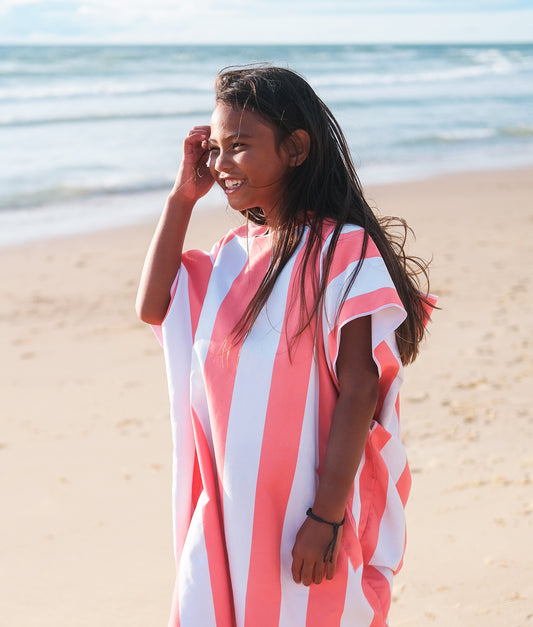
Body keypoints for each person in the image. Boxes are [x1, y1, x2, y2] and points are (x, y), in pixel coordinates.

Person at [136, 65, 436, 626]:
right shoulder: (228, 257)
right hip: (226, 511)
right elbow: (154, 305)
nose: (222, 164)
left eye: (240, 147)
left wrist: (325, 518)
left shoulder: (343, 249)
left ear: (296, 149)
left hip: (304, 514)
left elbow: (359, 391)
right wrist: (182, 196)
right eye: (216, 148)